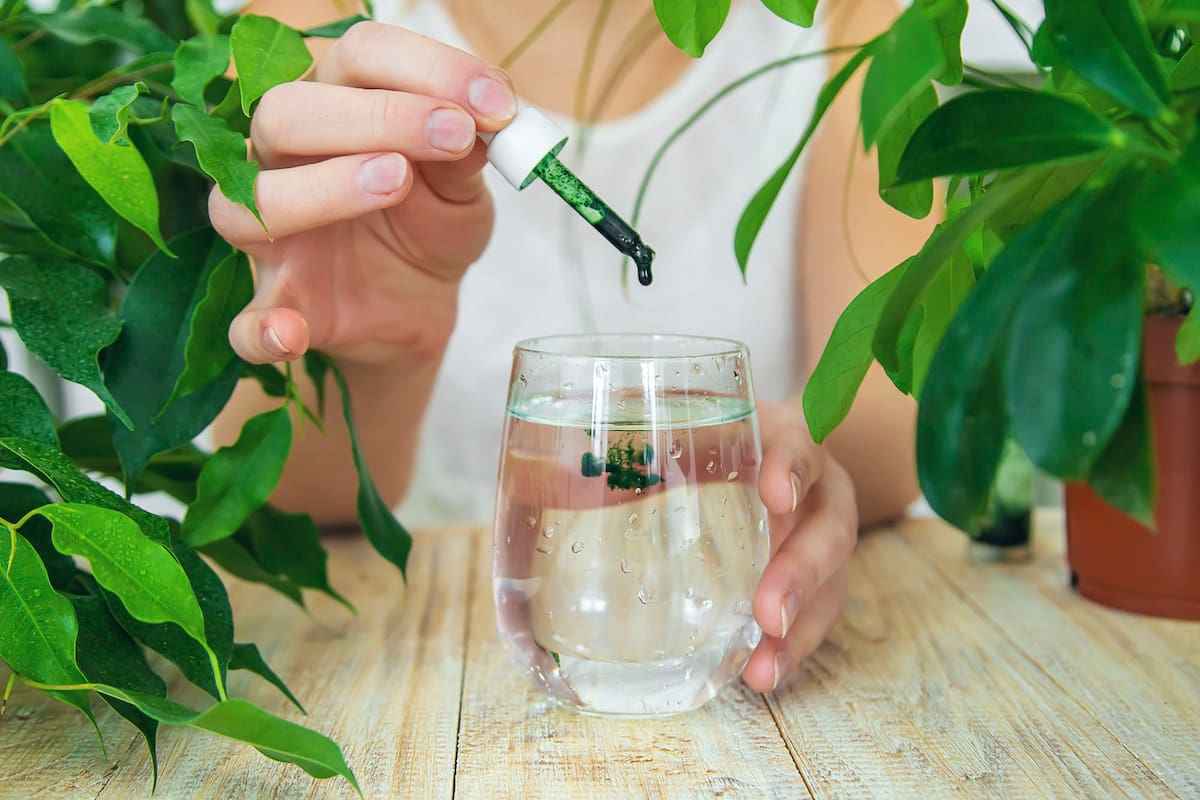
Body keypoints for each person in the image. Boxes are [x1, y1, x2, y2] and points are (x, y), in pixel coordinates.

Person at [211, 0, 935, 694]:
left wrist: (795, 466)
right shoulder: (309, 44)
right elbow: (285, 501)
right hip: (404, 657)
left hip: (701, 611)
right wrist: (372, 357)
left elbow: (888, 429)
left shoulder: (847, 29)